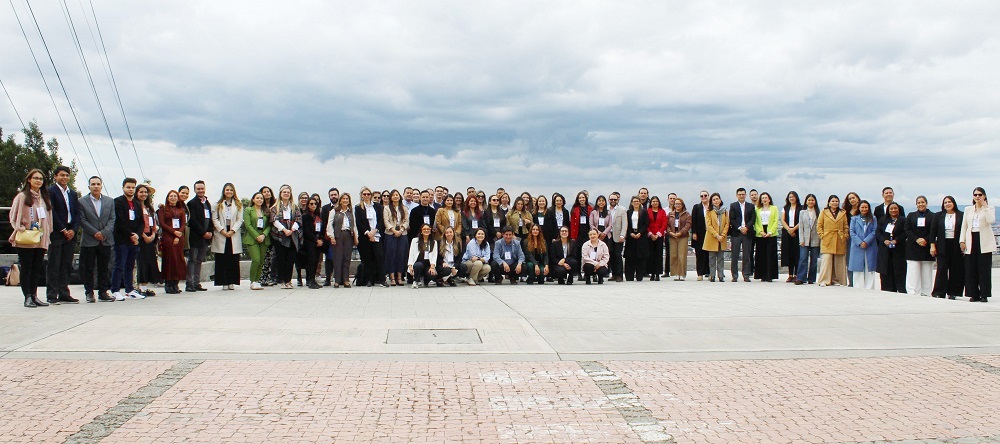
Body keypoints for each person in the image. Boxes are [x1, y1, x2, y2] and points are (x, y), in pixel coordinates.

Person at [8, 169, 54, 307]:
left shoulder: (43, 198)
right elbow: (13, 215)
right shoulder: (22, 196)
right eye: (35, 178)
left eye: (41, 179)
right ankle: (27, 296)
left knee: (36, 268)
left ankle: (34, 295)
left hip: (40, 237)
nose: (38, 181)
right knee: (27, 267)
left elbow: (48, 217)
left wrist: (47, 231)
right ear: (29, 180)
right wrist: (20, 227)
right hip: (26, 238)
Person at [45, 165, 80, 304]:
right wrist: (62, 229)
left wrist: (73, 230)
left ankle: (64, 292)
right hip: (57, 233)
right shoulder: (50, 191)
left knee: (66, 264)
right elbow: (51, 212)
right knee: (54, 264)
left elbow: (76, 213)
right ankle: (52, 294)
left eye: (67, 175)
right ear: (55, 177)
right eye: (62, 175)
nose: (64, 177)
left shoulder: (72, 193)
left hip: (70, 233)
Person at [79, 176, 116, 302]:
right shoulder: (81, 201)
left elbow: (112, 219)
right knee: (88, 268)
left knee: (104, 268)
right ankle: (89, 292)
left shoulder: (109, 201)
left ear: (101, 186)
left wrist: (104, 232)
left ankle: (103, 292)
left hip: (105, 240)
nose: (95, 186)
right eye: (93, 184)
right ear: (89, 186)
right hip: (89, 240)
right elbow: (82, 220)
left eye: (98, 184)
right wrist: (95, 232)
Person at [959, 187, 995, 302]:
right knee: (971, 268)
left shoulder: (989, 208)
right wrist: (962, 240)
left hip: (984, 240)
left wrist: (985, 207)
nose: (977, 197)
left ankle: (984, 294)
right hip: (971, 239)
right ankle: (973, 294)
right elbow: (964, 225)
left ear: (984, 196)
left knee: (984, 268)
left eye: (980, 194)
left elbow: (991, 220)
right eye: (975, 195)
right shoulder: (968, 209)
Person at [111, 178, 144, 300]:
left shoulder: (137, 203)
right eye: (128, 187)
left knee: (130, 265)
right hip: (122, 239)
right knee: (119, 265)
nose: (131, 190)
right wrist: (131, 234)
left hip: (134, 240)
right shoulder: (118, 202)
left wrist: (137, 235)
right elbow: (120, 221)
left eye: (133, 187)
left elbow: (141, 222)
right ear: (123, 188)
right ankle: (115, 290)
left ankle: (129, 289)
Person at [930, 196, 964, 299]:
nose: (947, 204)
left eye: (949, 202)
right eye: (945, 202)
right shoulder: (938, 215)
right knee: (941, 269)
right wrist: (932, 245)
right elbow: (933, 231)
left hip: (956, 244)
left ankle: (953, 292)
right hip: (942, 244)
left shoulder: (961, 215)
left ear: (954, 203)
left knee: (955, 269)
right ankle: (939, 292)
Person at [210, 183, 243, 290]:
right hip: (221, 233)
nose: (229, 192)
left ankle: (232, 281)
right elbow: (215, 219)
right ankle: (224, 281)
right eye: (227, 190)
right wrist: (222, 230)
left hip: (233, 233)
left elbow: (240, 219)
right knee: (222, 258)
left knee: (233, 258)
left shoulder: (238, 204)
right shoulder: (217, 204)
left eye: (231, 190)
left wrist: (232, 231)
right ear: (224, 191)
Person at [270, 184, 302, 290]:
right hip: (279, 236)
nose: (286, 194)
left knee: (290, 259)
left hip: (292, 235)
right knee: (281, 259)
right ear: (280, 193)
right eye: (284, 192)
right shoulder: (275, 207)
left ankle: (288, 280)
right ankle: (282, 280)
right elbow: (274, 220)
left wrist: (291, 230)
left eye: (288, 192)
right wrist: (284, 230)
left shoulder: (294, 207)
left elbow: (298, 219)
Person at [355, 186, 387, 287]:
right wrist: (368, 233)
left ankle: (382, 279)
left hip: (376, 235)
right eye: (364, 194)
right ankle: (369, 280)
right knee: (367, 259)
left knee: (380, 257)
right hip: (365, 237)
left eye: (368, 194)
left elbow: (381, 220)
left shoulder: (378, 206)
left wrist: (375, 230)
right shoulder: (358, 207)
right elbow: (359, 222)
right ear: (361, 195)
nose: (366, 196)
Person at [904, 196, 935, 296]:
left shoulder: (933, 216)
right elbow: (907, 229)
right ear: (916, 204)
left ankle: (926, 292)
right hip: (913, 246)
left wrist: (925, 240)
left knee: (927, 271)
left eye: (922, 202)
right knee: (913, 270)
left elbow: (933, 231)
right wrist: (917, 239)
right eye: (918, 203)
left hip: (927, 246)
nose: (921, 204)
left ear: (926, 203)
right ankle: (912, 291)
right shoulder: (911, 215)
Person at [186, 180, 213, 292]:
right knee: (192, 259)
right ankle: (189, 283)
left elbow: (210, 219)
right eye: (198, 189)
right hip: (195, 237)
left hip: (205, 239)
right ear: (195, 190)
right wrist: (203, 233)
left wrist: (210, 232)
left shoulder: (207, 203)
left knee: (199, 260)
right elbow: (193, 221)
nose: (200, 190)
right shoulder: (191, 203)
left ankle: (196, 283)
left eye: (202, 188)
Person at [134, 184, 161, 297]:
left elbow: (154, 223)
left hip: (151, 237)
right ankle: (140, 287)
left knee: (150, 262)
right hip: (140, 237)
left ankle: (145, 286)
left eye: (146, 192)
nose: (144, 194)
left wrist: (153, 234)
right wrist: (144, 235)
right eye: (141, 192)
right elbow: (136, 223)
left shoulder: (149, 208)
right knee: (141, 262)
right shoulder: (135, 206)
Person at [816, 195, 849, 287]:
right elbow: (819, 225)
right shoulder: (824, 212)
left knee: (839, 261)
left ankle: (837, 280)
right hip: (828, 237)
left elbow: (846, 226)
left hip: (839, 238)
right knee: (827, 260)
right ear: (829, 202)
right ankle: (824, 280)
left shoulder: (843, 213)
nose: (835, 203)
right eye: (833, 201)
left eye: (836, 201)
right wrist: (822, 235)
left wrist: (845, 235)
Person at [327, 193, 358, 288]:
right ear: (340, 200)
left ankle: (345, 279)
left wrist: (356, 238)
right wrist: (332, 236)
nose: (345, 200)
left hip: (348, 235)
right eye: (343, 198)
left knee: (347, 258)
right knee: (337, 258)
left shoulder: (350, 212)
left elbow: (354, 226)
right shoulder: (334, 211)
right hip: (338, 235)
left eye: (347, 199)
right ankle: (337, 280)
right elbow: (329, 224)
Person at [876, 202, 907, 293]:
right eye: (891, 209)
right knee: (886, 271)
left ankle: (901, 290)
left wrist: (896, 240)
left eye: (895, 208)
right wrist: (884, 240)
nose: (893, 210)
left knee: (899, 271)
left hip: (899, 249)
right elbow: (878, 232)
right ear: (888, 210)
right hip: (885, 249)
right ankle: (887, 290)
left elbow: (905, 232)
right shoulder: (882, 220)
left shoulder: (903, 220)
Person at [242, 192, 270, 290]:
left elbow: (269, 225)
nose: (259, 200)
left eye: (261, 198)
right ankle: (252, 281)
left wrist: (263, 235)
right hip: (252, 238)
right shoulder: (248, 210)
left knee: (261, 261)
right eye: (257, 198)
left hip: (264, 238)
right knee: (256, 260)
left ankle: (257, 281)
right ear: (253, 199)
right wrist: (257, 236)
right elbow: (248, 225)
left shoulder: (265, 211)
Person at [848, 200, 878, 290]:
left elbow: (874, 231)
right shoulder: (854, 219)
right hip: (857, 246)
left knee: (869, 267)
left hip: (870, 246)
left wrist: (866, 241)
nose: (864, 209)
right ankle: (858, 287)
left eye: (866, 207)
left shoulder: (873, 218)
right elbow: (852, 232)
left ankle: (869, 288)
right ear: (859, 208)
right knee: (857, 267)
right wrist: (860, 242)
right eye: (862, 207)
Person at [729, 188, 756, 282]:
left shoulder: (750, 206)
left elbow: (753, 219)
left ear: (745, 195)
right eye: (739, 194)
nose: (741, 196)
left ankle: (746, 275)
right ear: (737, 195)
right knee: (735, 255)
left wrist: (746, 228)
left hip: (747, 233)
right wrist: (740, 228)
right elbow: (732, 219)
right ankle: (734, 275)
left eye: (743, 194)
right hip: (736, 233)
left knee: (747, 255)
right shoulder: (733, 205)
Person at [383, 189, 409, 286]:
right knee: (391, 255)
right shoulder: (386, 208)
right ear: (391, 197)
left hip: (402, 233)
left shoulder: (404, 208)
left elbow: (407, 221)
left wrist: (401, 230)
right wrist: (394, 231)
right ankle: (392, 277)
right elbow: (386, 221)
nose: (395, 196)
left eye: (397, 195)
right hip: (390, 234)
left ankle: (400, 277)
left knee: (401, 255)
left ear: (399, 196)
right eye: (393, 195)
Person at [753, 192, 780, 282]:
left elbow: (776, 221)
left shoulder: (774, 208)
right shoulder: (757, 209)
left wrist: (770, 232)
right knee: (761, 254)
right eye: (763, 198)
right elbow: (755, 222)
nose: (764, 199)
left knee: (770, 254)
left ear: (769, 199)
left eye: (766, 198)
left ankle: (770, 275)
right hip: (761, 233)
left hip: (771, 233)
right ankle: (762, 275)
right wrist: (760, 231)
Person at [795, 194, 821, 285]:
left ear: (815, 201)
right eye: (809, 200)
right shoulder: (802, 212)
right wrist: (801, 240)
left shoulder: (818, 212)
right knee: (803, 259)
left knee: (814, 260)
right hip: (804, 239)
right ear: (806, 201)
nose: (811, 202)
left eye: (812, 200)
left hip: (816, 239)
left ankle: (811, 278)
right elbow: (801, 227)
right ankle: (801, 278)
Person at [703, 193, 728, 282]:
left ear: (720, 200)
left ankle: (721, 275)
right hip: (712, 237)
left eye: (717, 199)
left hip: (722, 237)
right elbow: (708, 225)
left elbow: (727, 224)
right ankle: (712, 275)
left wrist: (723, 235)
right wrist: (716, 235)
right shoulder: (709, 211)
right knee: (712, 258)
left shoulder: (725, 211)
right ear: (711, 201)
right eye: (714, 200)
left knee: (721, 258)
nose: (716, 201)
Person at [624, 196, 650, 281]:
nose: (636, 203)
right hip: (631, 236)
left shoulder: (644, 212)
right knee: (630, 256)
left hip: (641, 236)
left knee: (640, 257)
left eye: (637, 201)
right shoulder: (628, 212)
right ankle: (629, 276)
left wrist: (640, 233)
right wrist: (630, 233)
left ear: (640, 202)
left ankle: (639, 276)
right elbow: (626, 224)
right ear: (631, 203)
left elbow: (646, 224)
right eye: (634, 201)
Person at [667, 197, 692, 281]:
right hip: (672, 236)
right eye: (676, 204)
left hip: (682, 236)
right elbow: (667, 224)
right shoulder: (670, 214)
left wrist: (680, 233)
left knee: (682, 255)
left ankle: (681, 274)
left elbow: (688, 225)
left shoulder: (687, 214)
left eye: (679, 204)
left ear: (682, 205)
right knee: (673, 255)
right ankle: (675, 273)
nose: (677, 205)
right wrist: (670, 232)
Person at [258, 186, 278, 287]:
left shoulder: (275, 204)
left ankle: (271, 277)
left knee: (271, 257)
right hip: (263, 233)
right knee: (263, 257)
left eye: (268, 191)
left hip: (274, 233)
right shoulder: (259, 206)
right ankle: (262, 278)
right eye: (264, 192)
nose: (267, 193)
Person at [320, 188, 340, 286]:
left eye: (335, 194)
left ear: (338, 195)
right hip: (329, 237)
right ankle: (328, 278)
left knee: (340, 258)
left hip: (341, 237)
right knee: (329, 258)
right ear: (329, 196)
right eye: (331, 195)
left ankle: (339, 278)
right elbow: (324, 223)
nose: (333, 196)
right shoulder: (325, 208)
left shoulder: (342, 207)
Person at [690, 191, 711, 280]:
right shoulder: (696, 207)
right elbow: (693, 220)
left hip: (710, 233)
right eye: (702, 196)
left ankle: (709, 272)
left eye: (705, 195)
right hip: (699, 233)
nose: (703, 197)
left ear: (708, 196)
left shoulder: (712, 207)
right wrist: (694, 233)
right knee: (699, 254)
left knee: (709, 254)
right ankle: (700, 273)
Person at [780, 191, 801, 282]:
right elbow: (783, 220)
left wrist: (794, 229)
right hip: (787, 232)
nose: (791, 198)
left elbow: (801, 220)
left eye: (793, 197)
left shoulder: (801, 208)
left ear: (796, 197)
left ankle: (796, 274)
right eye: (790, 197)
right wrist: (789, 229)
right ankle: (790, 274)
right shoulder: (785, 208)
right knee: (789, 253)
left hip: (798, 232)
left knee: (797, 253)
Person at [646, 196, 666, 281]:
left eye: (656, 201)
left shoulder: (662, 211)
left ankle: (657, 273)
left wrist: (658, 234)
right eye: (653, 201)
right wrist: (650, 234)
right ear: (651, 203)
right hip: (650, 236)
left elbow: (664, 223)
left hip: (659, 236)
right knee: (651, 255)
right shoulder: (647, 211)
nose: (655, 203)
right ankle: (652, 273)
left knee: (658, 255)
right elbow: (645, 223)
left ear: (659, 202)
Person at [607, 192, 627, 282]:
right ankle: (614, 274)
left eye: (615, 199)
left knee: (618, 255)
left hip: (618, 236)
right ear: (609, 200)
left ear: (617, 200)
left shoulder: (622, 210)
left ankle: (620, 275)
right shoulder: (606, 209)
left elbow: (624, 224)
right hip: (608, 235)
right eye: (611, 199)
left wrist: (623, 235)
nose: (613, 201)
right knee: (610, 255)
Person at [844, 191, 862, 287]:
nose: (852, 200)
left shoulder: (862, 209)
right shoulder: (846, 212)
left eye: (853, 197)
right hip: (849, 238)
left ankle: (860, 282)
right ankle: (851, 282)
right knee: (849, 259)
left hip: (861, 238)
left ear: (858, 198)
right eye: (850, 199)